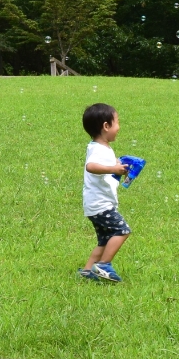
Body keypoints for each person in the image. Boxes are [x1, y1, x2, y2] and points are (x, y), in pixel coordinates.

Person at [79, 103, 131, 283]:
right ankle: (103, 265)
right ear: (106, 126)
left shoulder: (102, 147)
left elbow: (105, 169)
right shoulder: (97, 149)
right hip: (100, 205)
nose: (119, 127)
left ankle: (88, 271)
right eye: (117, 122)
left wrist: (117, 167)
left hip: (97, 203)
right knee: (122, 230)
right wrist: (112, 168)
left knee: (104, 239)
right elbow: (91, 166)